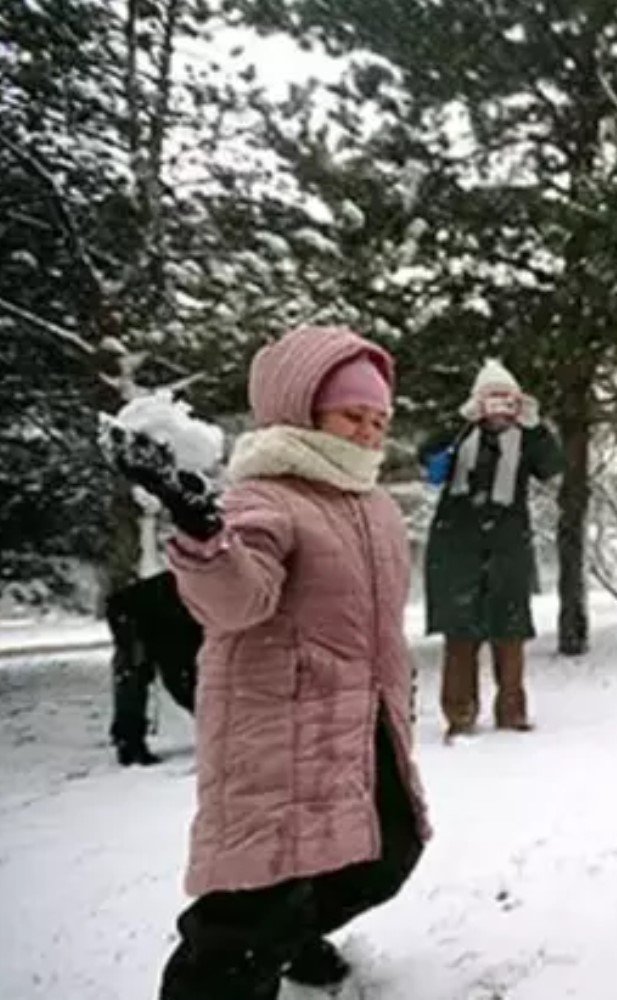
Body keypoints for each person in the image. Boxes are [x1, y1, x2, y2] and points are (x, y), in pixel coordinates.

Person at [112, 325, 431, 1000]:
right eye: (352, 416)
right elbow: (235, 601)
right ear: (301, 410)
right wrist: (202, 532)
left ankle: (289, 940)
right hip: (277, 728)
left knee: (389, 851)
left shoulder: (372, 505)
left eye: (379, 419)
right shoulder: (265, 495)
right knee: (253, 905)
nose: (369, 432)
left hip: (360, 721)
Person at [420, 359, 563, 739]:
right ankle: (460, 715)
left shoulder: (527, 438)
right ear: (478, 402)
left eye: (507, 401)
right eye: (491, 400)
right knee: (460, 635)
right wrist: (460, 423)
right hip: (457, 545)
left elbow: (551, 467)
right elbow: (428, 460)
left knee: (510, 632)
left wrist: (536, 425)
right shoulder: (460, 434)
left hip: (507, 547)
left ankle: (512, 712)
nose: (499, 410)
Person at [103, 570, 201, 766]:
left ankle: (128, 740)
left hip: (150, 616)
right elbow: (181, 678)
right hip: (133, 615)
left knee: (145, 676)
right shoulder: (197, 611)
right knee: (136, 676)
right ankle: (129, 743)